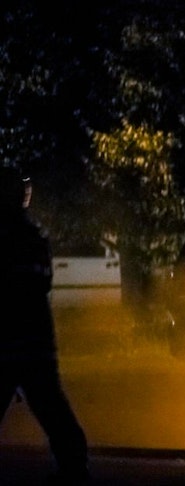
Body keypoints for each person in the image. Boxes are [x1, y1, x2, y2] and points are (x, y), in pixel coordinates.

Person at [0, 166, 90, 484]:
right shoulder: (32, 235)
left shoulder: (15, 237)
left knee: (52, 407)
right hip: (33, 341)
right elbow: (41, 283)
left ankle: (75, 466)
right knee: (52, 407)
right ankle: (74, 467)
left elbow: (24, 286)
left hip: (14, 341)